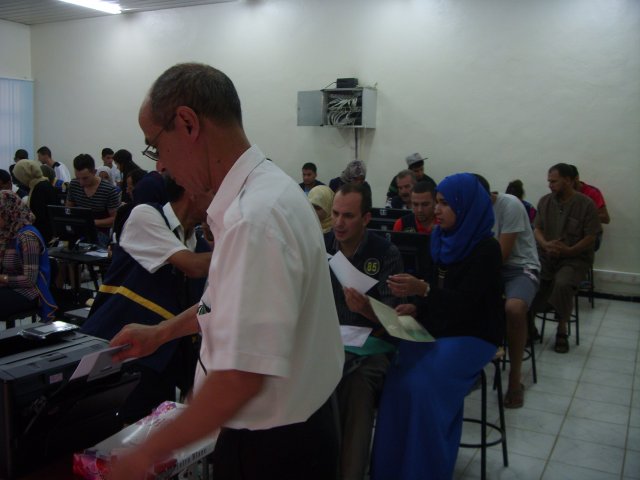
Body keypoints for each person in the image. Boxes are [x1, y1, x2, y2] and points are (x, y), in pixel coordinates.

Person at [108, 63, 344, 480]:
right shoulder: (272, 189)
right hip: (296, 429)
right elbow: (219, 307)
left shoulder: (253, 219)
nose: (160, 167)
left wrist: (142, 456)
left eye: (155, 147)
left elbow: (239, 378)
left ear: (187, 123)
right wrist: (160, 333)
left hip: (273, 448)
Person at [372, 173, 503, 480]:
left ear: (465, 206)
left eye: (444, 203)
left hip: (474, 334)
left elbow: (466, 303)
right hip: (441, 327)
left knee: (423, 387)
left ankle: (422, 471)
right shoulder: (439, 238)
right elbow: (435, 291)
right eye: (438, 202)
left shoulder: (486, 249)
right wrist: (417, 307)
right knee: (397, 379)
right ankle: (391, 469)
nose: (436, 210)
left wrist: (423, 291)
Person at [82, 176, 212, 423]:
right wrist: (241, 253)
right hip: (118, 346)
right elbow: (191, 266)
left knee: (149, 430)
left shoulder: (202, 246)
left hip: (163, 356)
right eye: (215, 193)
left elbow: (208, 306)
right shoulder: (145, 215)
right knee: (108, 428)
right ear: (192, 191)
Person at [324, 183, 403, 480]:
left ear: (366, 218)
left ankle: (350, 473)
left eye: (348, 216)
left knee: (356, 386)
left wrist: (367, 309)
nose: (339, 223)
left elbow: (395, 321)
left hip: (371, 348)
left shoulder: (385, 253)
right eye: (335, 214)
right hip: (328, 342)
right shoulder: (321, 246)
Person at [478, 174, 540, 408]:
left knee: (514, 308)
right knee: (457, 298)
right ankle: (469, 365)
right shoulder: (470, 209)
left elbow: (501, 256)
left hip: (520, 267)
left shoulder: (510, 205)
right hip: (489, 268)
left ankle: (515, 381)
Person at [531, 163, 601, 353]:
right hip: (547, 255)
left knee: (563, 283)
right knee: (531, 279)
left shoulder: (586, 204)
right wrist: (545, 244)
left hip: (575, 259)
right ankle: (529, 326)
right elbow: (537, 229)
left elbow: (591, 236)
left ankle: (562, 330)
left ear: (568, 180)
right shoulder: (545, 201)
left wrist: (570, 250)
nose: (550, 185)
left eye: (554, 181)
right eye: (549, 181)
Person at [0, 190, 57, 323]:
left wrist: (2, 278)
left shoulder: (27, 237)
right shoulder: (6, 233)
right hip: (9, 287)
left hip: (29, 292)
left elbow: (29, 280)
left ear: (9, 212)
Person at [66, 153, 121, 246]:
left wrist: (91, 222)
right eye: (78, 178)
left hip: (100, 233)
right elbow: (68, 210)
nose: (81, 183)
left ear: (94, 172)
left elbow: (115, 219)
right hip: (78, 230)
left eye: (85, 178)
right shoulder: (74, 184)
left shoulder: (108, 190)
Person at [12, 159, 58, 244]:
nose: (21, 181)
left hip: (45, 236)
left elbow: (39, 217)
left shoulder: (39, 188)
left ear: (25, 175)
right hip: (46, 233)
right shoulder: (41, 183)